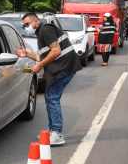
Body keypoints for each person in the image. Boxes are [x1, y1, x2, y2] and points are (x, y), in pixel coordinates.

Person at [13, 12, 82, 145]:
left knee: (53, 98)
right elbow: (44, 56)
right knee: (50, 98)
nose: (26, 27)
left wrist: (39, 66)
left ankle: (57, 133)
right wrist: (26, 54)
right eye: (24, 26)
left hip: (64, 68)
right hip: (60, 68)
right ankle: (52, 131)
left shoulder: (46, 29)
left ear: (36, 22)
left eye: (27, 24)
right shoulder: (41, 33)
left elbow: (56, 51)